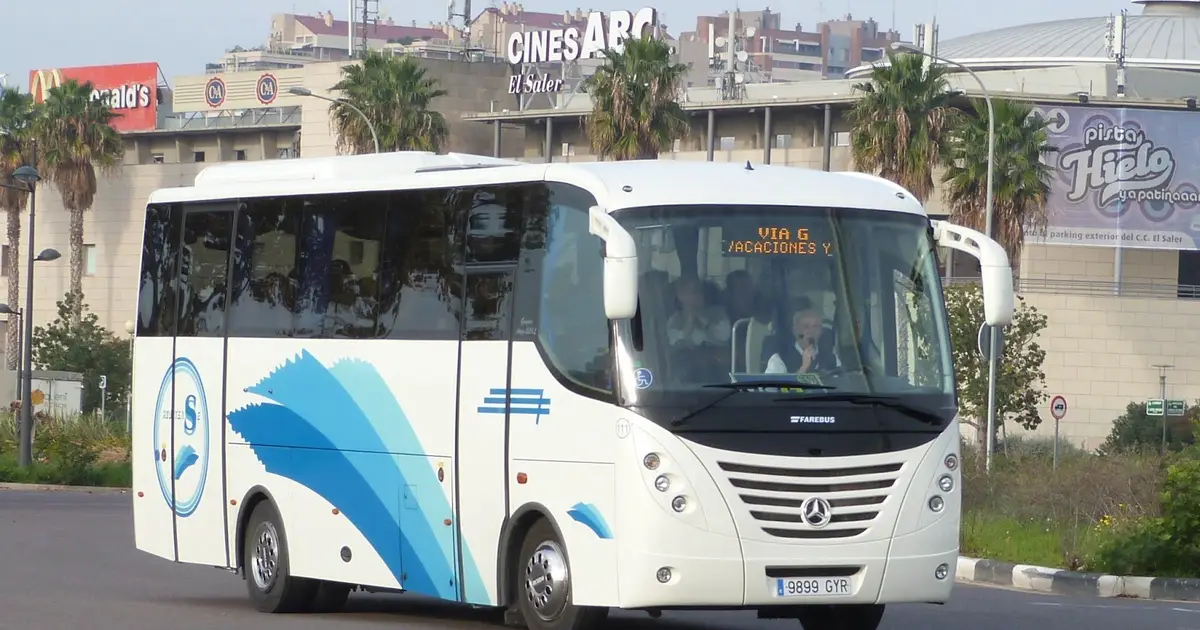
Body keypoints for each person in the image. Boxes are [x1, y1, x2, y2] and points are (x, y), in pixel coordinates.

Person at [763, 307, 839, 375]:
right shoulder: (779, 359)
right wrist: (804, 368)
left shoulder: (831, 357)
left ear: (821, 331)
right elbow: (769, 388)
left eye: (816, 326)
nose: (811, 331)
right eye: (806, 326)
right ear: (795, 330)